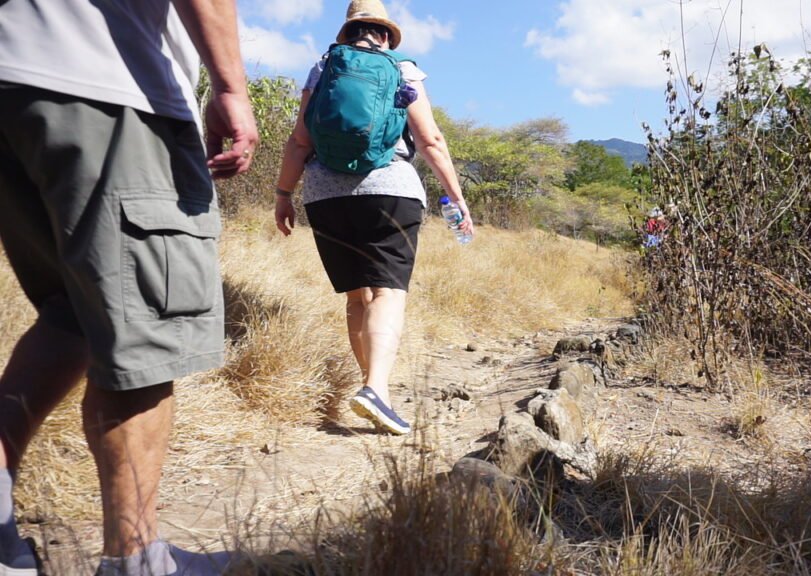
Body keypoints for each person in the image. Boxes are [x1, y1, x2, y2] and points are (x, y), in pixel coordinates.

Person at [0, 1, 258, 575]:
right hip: (107, 83)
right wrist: (230, 87)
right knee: (141, 337)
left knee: (72, 316)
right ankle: (137, 561)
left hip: (13, 82)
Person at [274, 0, 473, 436]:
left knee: (356, 296)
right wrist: (456, 197)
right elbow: (431, 140)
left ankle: (373, 390)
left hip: (325, 198)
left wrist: (283, 194)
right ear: (385, 34)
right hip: (390, 192)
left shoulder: (323, 67)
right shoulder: (403, 68)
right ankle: (376, 389)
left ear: (346, 33)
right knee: (389, 292)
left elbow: (299, 141)